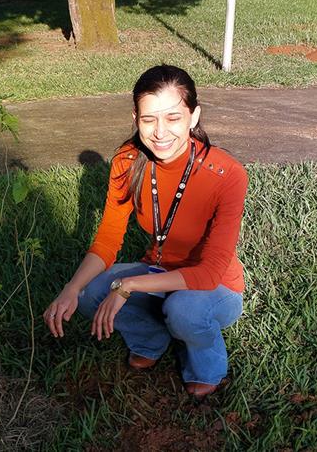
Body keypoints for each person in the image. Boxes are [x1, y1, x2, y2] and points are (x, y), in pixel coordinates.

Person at [43, 65, 247, 399]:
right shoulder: (127, 160)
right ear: (135, 118)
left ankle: (205, 365)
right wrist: (71, 287)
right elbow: (109, 237)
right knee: (88, 292)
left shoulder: (227, 174)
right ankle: (151, 339)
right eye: (149, 119)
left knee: (185, 311)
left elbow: (210, 274)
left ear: (193, 117)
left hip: (217, 287)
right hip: (160, 270)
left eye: (173, 118)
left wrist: (129, 285)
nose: (160, 132)